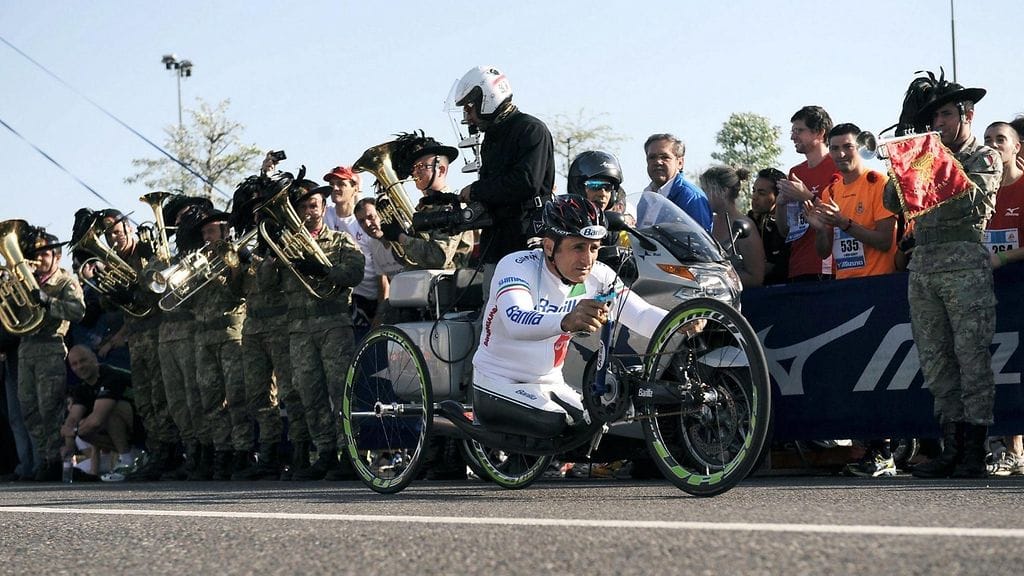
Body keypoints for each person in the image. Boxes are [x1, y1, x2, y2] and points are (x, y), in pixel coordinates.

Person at [881, 74, 1002, 479]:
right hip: (925, 268)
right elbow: (889, 200)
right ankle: (951, 447)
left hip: (965, 265)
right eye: (934, 117)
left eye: (947, 115)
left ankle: (975, 450)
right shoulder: (924, 155)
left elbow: (967, 202)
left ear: (968, 115)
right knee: (936, 364)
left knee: (971, 361)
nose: (940, 124)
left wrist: (928, 156)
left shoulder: (983, 157)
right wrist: (906, 145)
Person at [471, 195, 667, 439]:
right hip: (499, 379)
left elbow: (640, 314)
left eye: (594, 248)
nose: (587, 260)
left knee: (597, 425)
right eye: (578, 247)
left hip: (549, 383)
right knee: (553, 423)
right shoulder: (516, 266)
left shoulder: (599, 275)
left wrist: (680, 323)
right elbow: (516, 321)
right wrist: (566, 320)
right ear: (550, 246)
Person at [280, 179, 365, 480]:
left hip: (333, 325)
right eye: (302, 207)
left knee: (340, 389)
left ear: (323, 207)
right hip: (299, 330)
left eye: (313, 205)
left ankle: (352, 453)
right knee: (309, 393)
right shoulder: (287, 246)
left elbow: (355, 272)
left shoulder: (341, 241)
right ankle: (326, 451)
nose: (308, 211)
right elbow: (266, 286)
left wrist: (325, 270)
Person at [453, 66, 555, 278]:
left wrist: (476, 190)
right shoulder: (491, 138)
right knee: (492, 307)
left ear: (486, 98)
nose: (467, 116)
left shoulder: (530, 129)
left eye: (469, 107)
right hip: (496, 243)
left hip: (527, 240)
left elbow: (526, 182)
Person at [16, 228, 86, 481]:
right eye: (34, 254)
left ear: (57, 257)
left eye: (44, 254)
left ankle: (56, 460)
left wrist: (47, 300)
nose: (38, 259)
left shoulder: (65, 282)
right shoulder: (26, 281)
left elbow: (78, 311)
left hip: (50, 347)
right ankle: (45, 457)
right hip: (26, 348)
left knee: (50, 408)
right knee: (29, 408)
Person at [188, 209, 251, 480]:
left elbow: (239, 293)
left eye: (210, 231)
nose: (206, 237)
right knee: (210, 399)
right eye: (203, 233)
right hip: (204, 339)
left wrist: (225, 271)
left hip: (229, 334)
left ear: (225, 231)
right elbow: (183, 299)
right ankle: (221, 450)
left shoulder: (236, 256)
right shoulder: (197, 261)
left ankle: (243, 452)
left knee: (236, 396)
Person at [982, 121, 1024, 476]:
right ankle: (1009, 448)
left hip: (1019, 285)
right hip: (990, 292)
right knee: (1001, 370)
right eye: (988, 141)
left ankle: (1016, 447)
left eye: (1001, 140)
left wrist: (1005, 258)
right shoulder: (983, 192)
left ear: (1016, 147)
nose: (993, 146)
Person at [808, 123, 897, 280]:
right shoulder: (830, 191)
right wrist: (821, 230)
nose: (841, 154)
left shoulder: (880, 184)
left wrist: (844, 223)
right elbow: (824, 253)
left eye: (848, 146)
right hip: (845, 285)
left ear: (861, 148)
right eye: (834, 149)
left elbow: (885, 242)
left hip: (878, 282)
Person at [775, 106, 837, 282]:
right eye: (793, 131)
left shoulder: (837, 166)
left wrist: (806, 196)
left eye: (799, 130)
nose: (793, 136)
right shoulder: (796, 172)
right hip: (798, 267)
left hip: (827, 266)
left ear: (819, 132)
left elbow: (839, 216)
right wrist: (780, 204)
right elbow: (786, 230)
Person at [61, 345, 135, 478]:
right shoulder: (82, 388)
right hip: (126, 433)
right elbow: (72, 421)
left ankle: (127, 461)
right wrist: (69, 449)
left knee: (110, 412)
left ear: (94, 359)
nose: (80, 367)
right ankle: (131, 455)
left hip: (145, 425)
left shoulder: (111, 376)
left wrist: (74, 431)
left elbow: (96, 420)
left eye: (83, 361)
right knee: (84, 430)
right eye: (74, 364)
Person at [322, 167, 377, 340]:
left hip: (370, 298)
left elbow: (381, 270)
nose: (335, 188)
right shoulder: (325, 214)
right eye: (332, 184)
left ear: (355, 188)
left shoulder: (363, 221)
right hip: (344, 298)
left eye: (341, 184)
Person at [699, 165, 765, 287]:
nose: (701, 196)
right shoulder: (709, 221)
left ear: (724, 191)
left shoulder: (745, 225)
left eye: (705, 190)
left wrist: (715, 280)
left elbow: (756, 277)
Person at [643, 134, 713, 232]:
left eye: (665, 157)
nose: (658, 162)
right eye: (652, 157)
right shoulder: (646, 198)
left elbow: (701, 242)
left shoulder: (691, 197)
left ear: (680, 163)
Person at [749, 168, 790, 285]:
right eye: (754, 191)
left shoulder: (788, 224)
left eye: (761, 193)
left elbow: (774, 265)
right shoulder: (748, 220)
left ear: (779, 196)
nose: (754, 197)